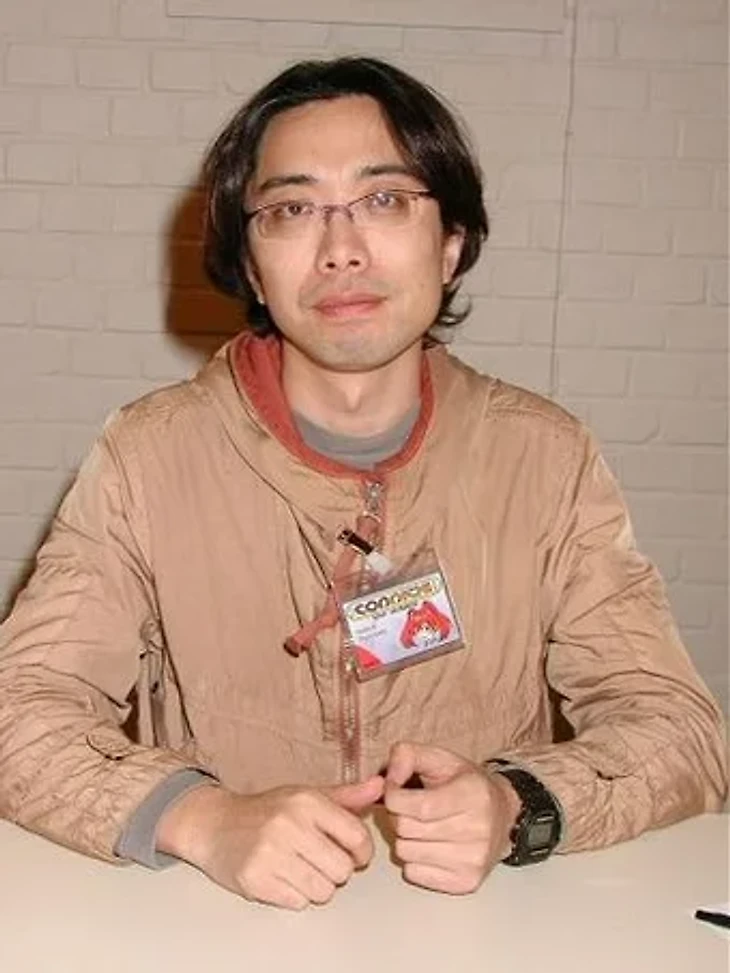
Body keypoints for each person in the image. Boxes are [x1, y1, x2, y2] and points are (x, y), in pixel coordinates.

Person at [0, 56, 726, 912]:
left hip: (482, 925)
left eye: (384, 200)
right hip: (222, 922)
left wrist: (518, 801)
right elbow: (19, 709)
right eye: (292, 209)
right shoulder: (149, 455)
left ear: (450, 243)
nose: (341, 250)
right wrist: (200, 817)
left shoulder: (545, 458)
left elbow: (678, 728)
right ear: (252, 265)